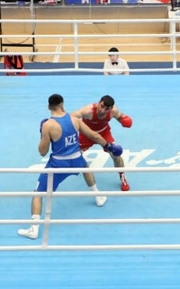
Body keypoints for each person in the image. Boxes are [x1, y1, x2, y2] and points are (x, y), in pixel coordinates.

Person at [18, 94, 120, 240]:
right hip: (76, 159)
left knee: (37, 194)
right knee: (86, 168)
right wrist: (109, 146)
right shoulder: (74, 120)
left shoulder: (48, 125)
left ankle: (34, 228)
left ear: (48, 107)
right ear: (63, 105)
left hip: (58, 164)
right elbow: (94, 136)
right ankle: (98, 196)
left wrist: (42, 134)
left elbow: (42, 152)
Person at [75, 95, 133, 193]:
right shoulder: (88, 111)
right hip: (87, 135)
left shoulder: (113, 111)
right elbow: (73, 116)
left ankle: (122, 175)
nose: (102, 110)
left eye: (106, 109)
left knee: (116, 154)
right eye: (101, 106)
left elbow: (119, 116)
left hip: (104, 134)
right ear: (99, 102)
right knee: (73, 155)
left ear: (111, 108)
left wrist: (123, 119)